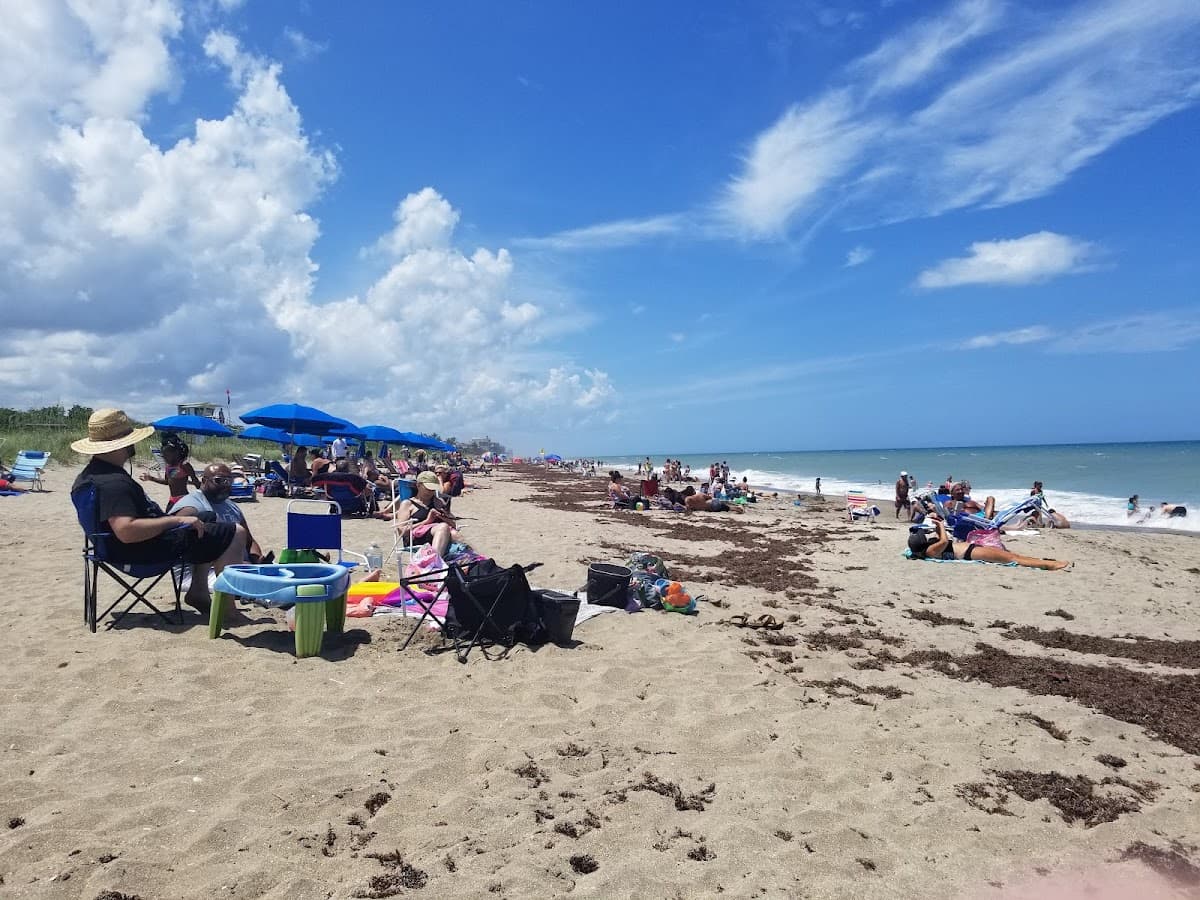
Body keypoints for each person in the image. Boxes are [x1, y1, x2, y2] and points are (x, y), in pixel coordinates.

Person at [70, 409, 246, 614]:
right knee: (235, 532)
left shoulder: (89, 476)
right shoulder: (113, 483)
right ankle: (228, 611)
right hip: (140, 553)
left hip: (114, 549)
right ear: (122, 443)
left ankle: (198, 591)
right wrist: (175, 522)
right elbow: (126, 531)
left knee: (206, 518)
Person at [169, 464, 269, 589]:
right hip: (200, 575)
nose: (225, 485)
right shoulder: (192, 505)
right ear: (204, 481)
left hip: (240, 566)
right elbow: (178, 543)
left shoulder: (230, 505)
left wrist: (257, 559)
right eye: (219, 480)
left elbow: (249, 540)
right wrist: (234, 564)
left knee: (278, 575)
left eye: (229, 481)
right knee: (259, 585)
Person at [908, 515, 1070, 570]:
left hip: (972, 549)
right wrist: (941, 525)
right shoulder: (930, 551)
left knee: (1013, 556)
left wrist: (937, 524)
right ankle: (1049, 565)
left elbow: (941, 540)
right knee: (1013, 558)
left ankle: (1046, 562)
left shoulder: (929, 549)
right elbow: (944, 540)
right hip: (971, 552)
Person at [394, 470, 461, 557]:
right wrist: (426, 521)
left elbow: (454, 525)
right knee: (443, 527)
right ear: (418, 485)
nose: (430, 492)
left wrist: (444, 517)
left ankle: (474, 560)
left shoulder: (438, 502)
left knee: (455, 534)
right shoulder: (408, 504)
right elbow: (401, 532)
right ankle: (434, 561)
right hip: (415, 538)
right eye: (428, 488)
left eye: (433, 489)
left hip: (439, 536)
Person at [139, 433, 200, 506]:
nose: (165, 458)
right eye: (163, 456)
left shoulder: (184, 465)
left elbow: (195, 481)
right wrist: (151, 478)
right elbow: (167, 482)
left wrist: (203, 495)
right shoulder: (168, 467)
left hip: (183, 499)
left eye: (167, 455)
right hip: (172, 499)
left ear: (176, 453)